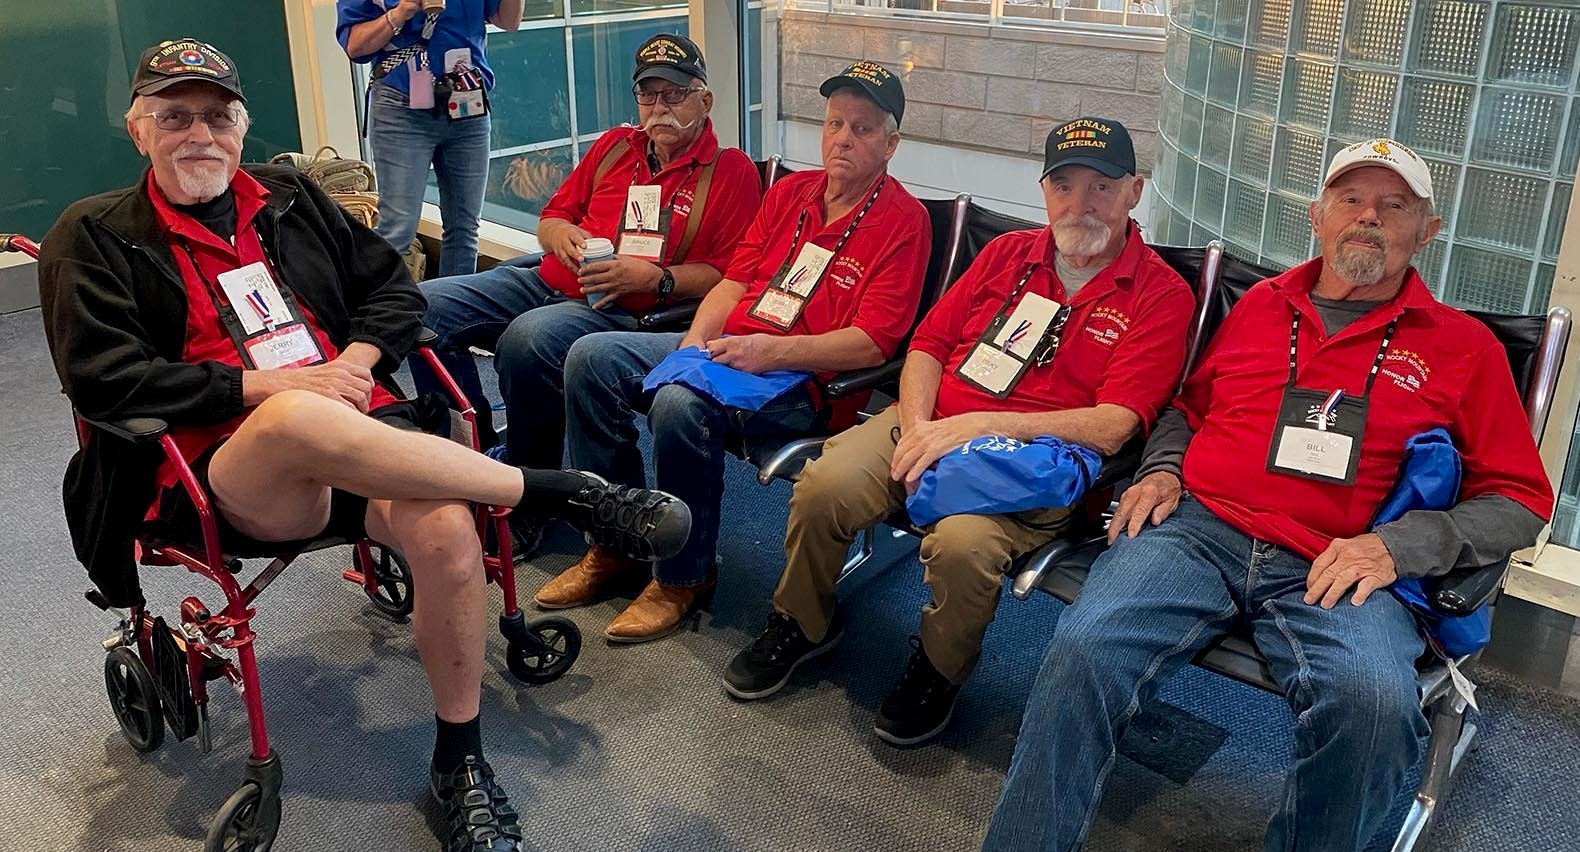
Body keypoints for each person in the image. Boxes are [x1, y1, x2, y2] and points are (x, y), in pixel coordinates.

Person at [36, 40, 689, 852]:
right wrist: (281, 382)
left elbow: (393, 289)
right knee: (297, 415)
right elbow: (102, 377)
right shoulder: (92, 236)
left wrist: (356, 355)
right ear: (138, 128)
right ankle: (559, 490)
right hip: (230, 476)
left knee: (450, 526)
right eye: (174, 115)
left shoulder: (293, 199)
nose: (198, 133)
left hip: (364, 432)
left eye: (216, 115)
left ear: (241, 125)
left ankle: (460, 764)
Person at [976, 139, 1555, 852]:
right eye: (1351, 200)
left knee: (1375, 709)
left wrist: (1400, 546)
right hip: (1199, 529)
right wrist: (1162, 466)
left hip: (1333, 563)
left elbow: (1520, 499)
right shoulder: (1261, 304)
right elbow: (1190, 408)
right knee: (1086, 645)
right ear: (1318, 217)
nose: (1369, 218)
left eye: (1394, 205)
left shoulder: (1463, 349)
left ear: (1427, 230)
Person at [722, 118, 1195, 746]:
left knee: (961, 547)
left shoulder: (1160, 293)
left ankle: (939, 669)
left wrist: (973, 426)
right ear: (1045, 190)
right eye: (1063, 185)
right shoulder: (1007, 254)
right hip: (932, 423)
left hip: (1028, 467)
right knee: (824, 485)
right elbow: (929, 345)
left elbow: (1115, 425)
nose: (1079, 205)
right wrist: (919, 428)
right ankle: (803, 622)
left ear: (1134, 191)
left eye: (1101, 188)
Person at [542, 62, 934, 644]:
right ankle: (616, 542)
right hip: (729, 352)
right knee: (592, 359)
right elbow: (733, 284)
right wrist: (693, 345)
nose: (843, 138)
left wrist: (768, 353)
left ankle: (683, 576)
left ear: (891, 144)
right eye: (834, 124)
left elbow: (872, 343)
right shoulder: (790, 194)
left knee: (678, 404)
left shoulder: (905, 221)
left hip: (803, 383)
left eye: (863, 129)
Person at [412, 32, 760, 492]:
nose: (660, 106)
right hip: (548, 278)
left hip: (622, 307)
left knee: (529, 339)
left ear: (705, 99)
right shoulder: (616, 146)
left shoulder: (730, 171)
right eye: (649, 94)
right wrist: (563, 236)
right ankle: (468, 456)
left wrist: (656, 278)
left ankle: (528, 487)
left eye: (675, 93)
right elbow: (554, 216)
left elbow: (731, 275)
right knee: (418, 304)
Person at [336, 0, 521, 275]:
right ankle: (376, 313)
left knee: (465, 229)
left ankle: (455, 313)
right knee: (398, 229)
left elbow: (508, 21)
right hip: (401, 107)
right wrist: (402, 12)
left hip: (466, 102)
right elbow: (355, 46)